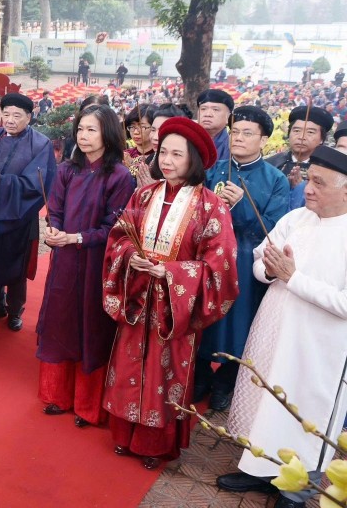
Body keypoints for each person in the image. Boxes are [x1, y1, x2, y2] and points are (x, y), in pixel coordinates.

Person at [102, 116, 239, 470]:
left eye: (177, 155)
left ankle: (154, 443)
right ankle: (123, 434)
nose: (167, 161)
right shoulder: (144, 194)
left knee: (167, 373)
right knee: (129, 364)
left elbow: (219, 264)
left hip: (175, 305)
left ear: (194, 159)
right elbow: (120, 236)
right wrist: (132, 257)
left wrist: (172, 272)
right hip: (137, 295)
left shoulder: (212, 206)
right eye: (163, 152)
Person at [220, 145, 347, 508]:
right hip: (273, 329)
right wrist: (272, 270)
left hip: (318, 349)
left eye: (319, 183)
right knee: (265, 402)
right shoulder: (296, 219)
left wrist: (293, 278)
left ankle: (296, 490)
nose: (308, 189)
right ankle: (258, 469)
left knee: (304, 415)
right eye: (309, 180)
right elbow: (262, 260)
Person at [38, 104, 135, 427]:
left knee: (91, 326)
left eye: (91, 129)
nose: (83, 135)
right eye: (80, 129)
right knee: (61, 321)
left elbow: (115, 226)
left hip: (98, 262)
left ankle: (88, 404)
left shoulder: (120, 176)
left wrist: (76, 238)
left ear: (107, 133)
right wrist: (54, 232)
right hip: (65, 258)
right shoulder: (67, 169)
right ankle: (57, 395)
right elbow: (56, 208)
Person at [198, 106, 290, 412]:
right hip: (209, 257)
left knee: (238, 324)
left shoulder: (275, 179)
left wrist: (242, 207)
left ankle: (226, 381)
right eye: (235, 132)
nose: (238, 138)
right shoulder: (212, 170)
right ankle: (199, 376)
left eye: (247, 133)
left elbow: (274, 227)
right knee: (203, 317)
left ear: (264, 139)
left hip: (246, 261)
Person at [0, 92, 56, 331]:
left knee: (16, 265)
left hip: (20, 214)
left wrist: (3, 182)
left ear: (29, 117)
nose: (10, 120)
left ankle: (14, 310)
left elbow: (39, 183)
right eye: (7, 114)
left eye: (17, 115)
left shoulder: (41, 143)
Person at [266, 106, 334, 189]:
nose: (301, 137)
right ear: (289, 134)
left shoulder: (329, 170)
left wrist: (300, 189)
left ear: (322, 139)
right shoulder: (271, 164)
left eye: (310, 132)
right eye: (297, 131)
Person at [197, 88, 235, 164]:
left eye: (215, 110)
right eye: (203, 109)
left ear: (229, 117)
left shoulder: (233, 146)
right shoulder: (186, 141)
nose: (208, 114)